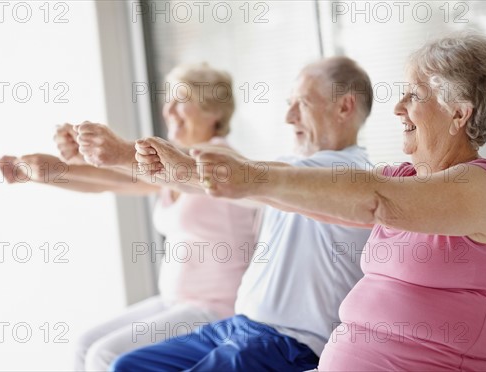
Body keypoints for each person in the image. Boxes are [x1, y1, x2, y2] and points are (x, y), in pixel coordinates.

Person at [176, 32, 486, 371]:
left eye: (414, 96)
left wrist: (248, 177)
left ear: (458, 113)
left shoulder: (480, 185)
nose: (398, 108)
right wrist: (192, 172)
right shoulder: (405, 178)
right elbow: (316, 200)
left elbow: (372, 198)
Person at [111, 56, 374, 371]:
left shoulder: (348, 174)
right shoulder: (292, 166)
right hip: (240, 325)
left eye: (301, 104)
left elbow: (235, 178)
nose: (289, 117)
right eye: (289, 104)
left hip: (289, 343)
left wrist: (145, 159)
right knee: (128, 366)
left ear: (344, 107)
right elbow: (222, 184)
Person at [0, 63, 259, 371]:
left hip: (216, 308)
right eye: (168, 100)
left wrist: (95, 157)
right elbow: (111, 181)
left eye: (181, 101)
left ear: (213, 111)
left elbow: (127, 173)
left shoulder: (222, 161)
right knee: (85, 345)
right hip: (175, 300)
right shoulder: (173, 169)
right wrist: (47, 172)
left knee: (104, 356)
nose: (169, 110)